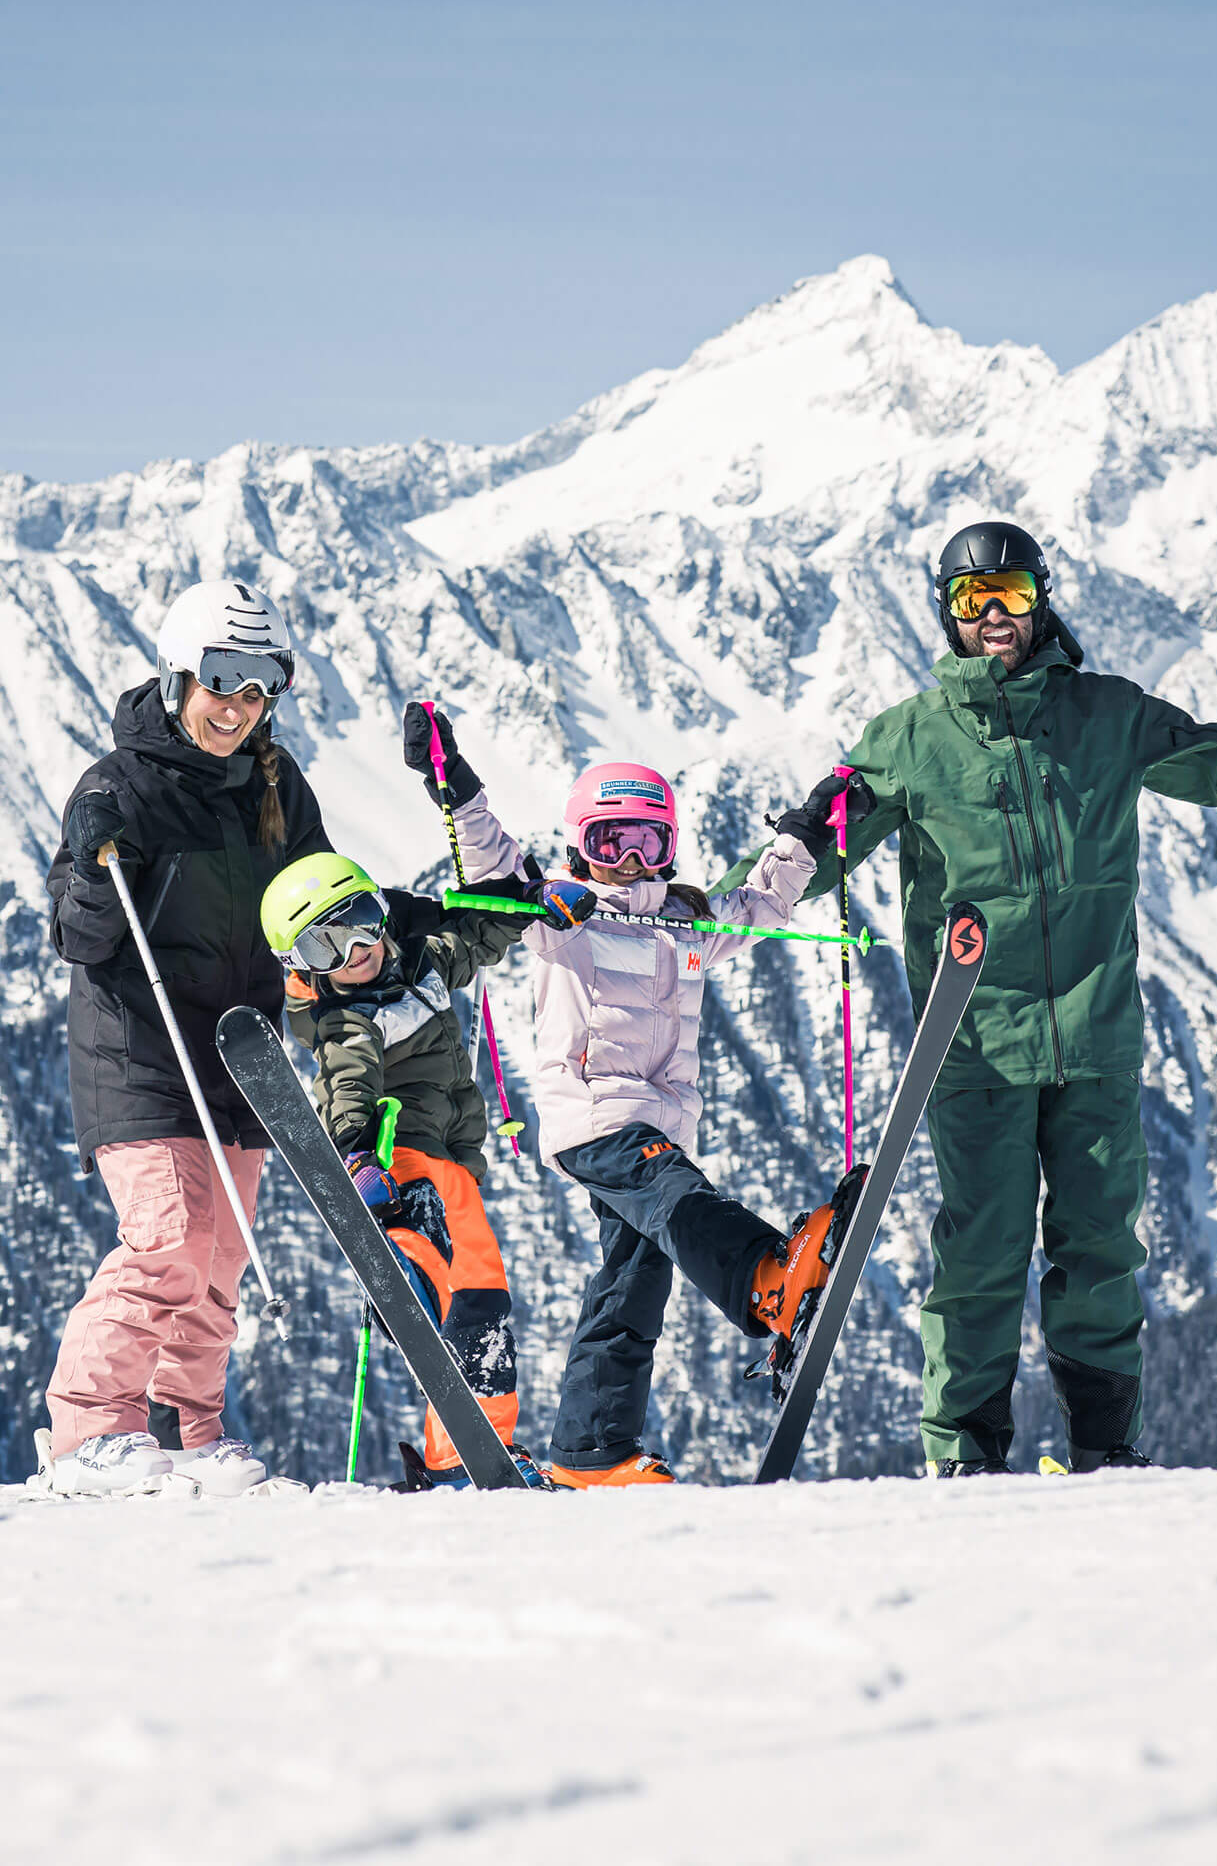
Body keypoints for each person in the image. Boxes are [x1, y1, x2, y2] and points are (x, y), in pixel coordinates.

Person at [756, 520, 1217, 1477]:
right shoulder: (908, 740)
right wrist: (700, 913)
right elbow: (808, 853)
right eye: (972, 598)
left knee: (1100, 1252)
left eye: (1012, 593)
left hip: (1095, 1037)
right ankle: (964, 1458)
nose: (994, 615)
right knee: (980, 1257)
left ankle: (1105, 1451)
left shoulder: (1108, 714)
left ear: (1042, 599)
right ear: (945, 611)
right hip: (973, 1046)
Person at [400, 705, 854, 1487]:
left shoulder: (687, 922)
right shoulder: (559, 918)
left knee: (635, 1280)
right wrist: (455, 784)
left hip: (659, 1122)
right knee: (675, 1193)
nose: (632, 861)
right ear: (582, 846)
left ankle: (592, 1451)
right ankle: (765, 1280)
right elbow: (493, 866)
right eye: (612, 843)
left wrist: (808, 832)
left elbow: (763, 904)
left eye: (649, 843)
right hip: (594, 1119)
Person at [42, 579, 330, 1496]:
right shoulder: (116, 787)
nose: (238, 706)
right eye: (222, 679)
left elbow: (316, 900)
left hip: (240, 1058)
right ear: (177, 675)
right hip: (142, 1053)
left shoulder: (276, 783)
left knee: (218, 1260)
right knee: (171, 1238)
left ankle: (184, 1433)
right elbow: (78, 937)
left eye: (261, 685)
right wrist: (97, 865)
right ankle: (89, 1431)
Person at [262, 850, 548, 1489]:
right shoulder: (347, 1021)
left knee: (484, 1308)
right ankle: (406, 1276)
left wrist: (532, 902)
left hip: (457, 1165)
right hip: (402, 1157)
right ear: (301, 967)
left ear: (383, 912)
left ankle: (467, 1458)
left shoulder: (425, 963)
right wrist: (356, 1155)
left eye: (360, 921)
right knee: (429, 1244)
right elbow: (348, 1087)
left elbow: (479, 935)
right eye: (324, 946)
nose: (354, 950)